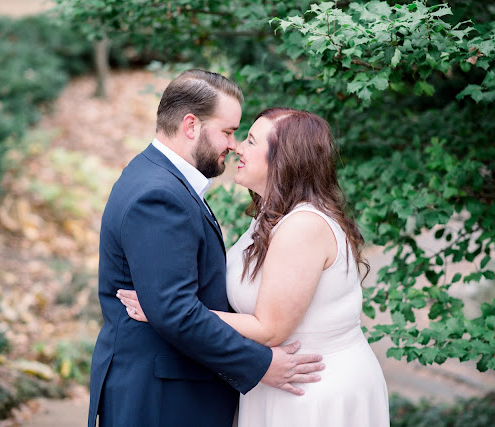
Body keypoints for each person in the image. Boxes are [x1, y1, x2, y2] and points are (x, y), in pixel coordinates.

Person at [118, 107, 390, 426]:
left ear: (284, 158)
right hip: (277, 381)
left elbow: (270, 328)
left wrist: (166, 311)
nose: (237, 147)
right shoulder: (271, 214)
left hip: (312, 391)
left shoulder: (302, 226)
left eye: (250, 140)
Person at [88, 70, 326, 427]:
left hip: (165, 386)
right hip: (159, 398)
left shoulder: (157, 177)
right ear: (191, 126)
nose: (233, 145)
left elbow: (170, 306)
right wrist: (260, 364)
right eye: (228, 132)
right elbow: (176, 312)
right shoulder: (160, 195)